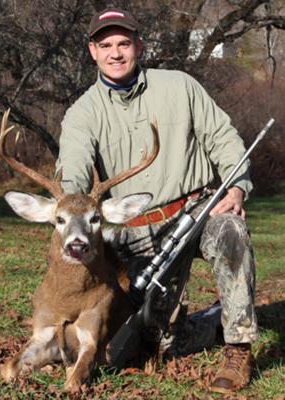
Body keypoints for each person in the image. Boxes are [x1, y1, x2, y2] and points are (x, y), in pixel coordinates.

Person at [56, 7, 258, 394]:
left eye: (124, 43)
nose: (116, 53)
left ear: (139, 46)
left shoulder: (179, 86)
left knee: (230, 230)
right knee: (136, 349)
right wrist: (71, 209)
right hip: (132, 235)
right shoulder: (82, 113)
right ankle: (211, 324)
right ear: (92, 52)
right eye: (106, 45)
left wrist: (236, 188)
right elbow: (76, 175)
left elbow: (224, 139)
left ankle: (238, 347)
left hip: (195, 212)